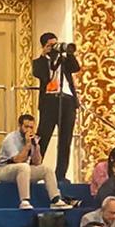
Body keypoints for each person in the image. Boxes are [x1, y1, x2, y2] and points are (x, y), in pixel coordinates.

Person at [31, 33, 79, 189]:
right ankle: (34, 172)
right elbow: (40, 74)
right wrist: (45, 56)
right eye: (51, 45)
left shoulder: (64, 60)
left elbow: (76, 68)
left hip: (68, 101)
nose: (54, 48)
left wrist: (67, 53)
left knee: (65, 140)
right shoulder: (39, 62)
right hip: (50, 102)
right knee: (43, 137)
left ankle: (60, 175)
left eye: (55, 44)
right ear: (44, 46)